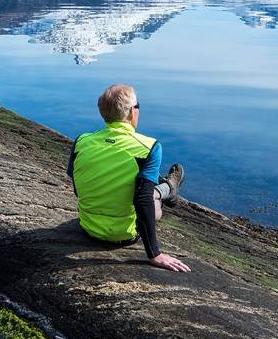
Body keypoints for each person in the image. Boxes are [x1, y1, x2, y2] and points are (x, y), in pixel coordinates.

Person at [67, 84, 191, 272]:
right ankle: (167, 189)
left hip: (88, 228)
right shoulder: (149, 146)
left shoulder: (82, 141)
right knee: (152, 199)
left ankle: (163, 184)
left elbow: (76, 185)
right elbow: (142, 201)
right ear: (133, 112)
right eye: (138, 106)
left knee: (134, 174)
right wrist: (154, 254)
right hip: (124, 234)